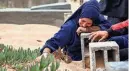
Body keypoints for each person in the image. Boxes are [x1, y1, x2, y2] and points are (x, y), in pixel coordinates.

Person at [40, 0, 112, 61]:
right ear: (80, 16)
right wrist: (45, 54)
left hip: (96, 57)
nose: (84, 25)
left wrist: (88, 29)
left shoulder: (98, 19)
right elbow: (53, 43)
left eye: (88, 23)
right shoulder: (70, 27)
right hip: (73, 59)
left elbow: (109, 27)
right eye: (83, 21)